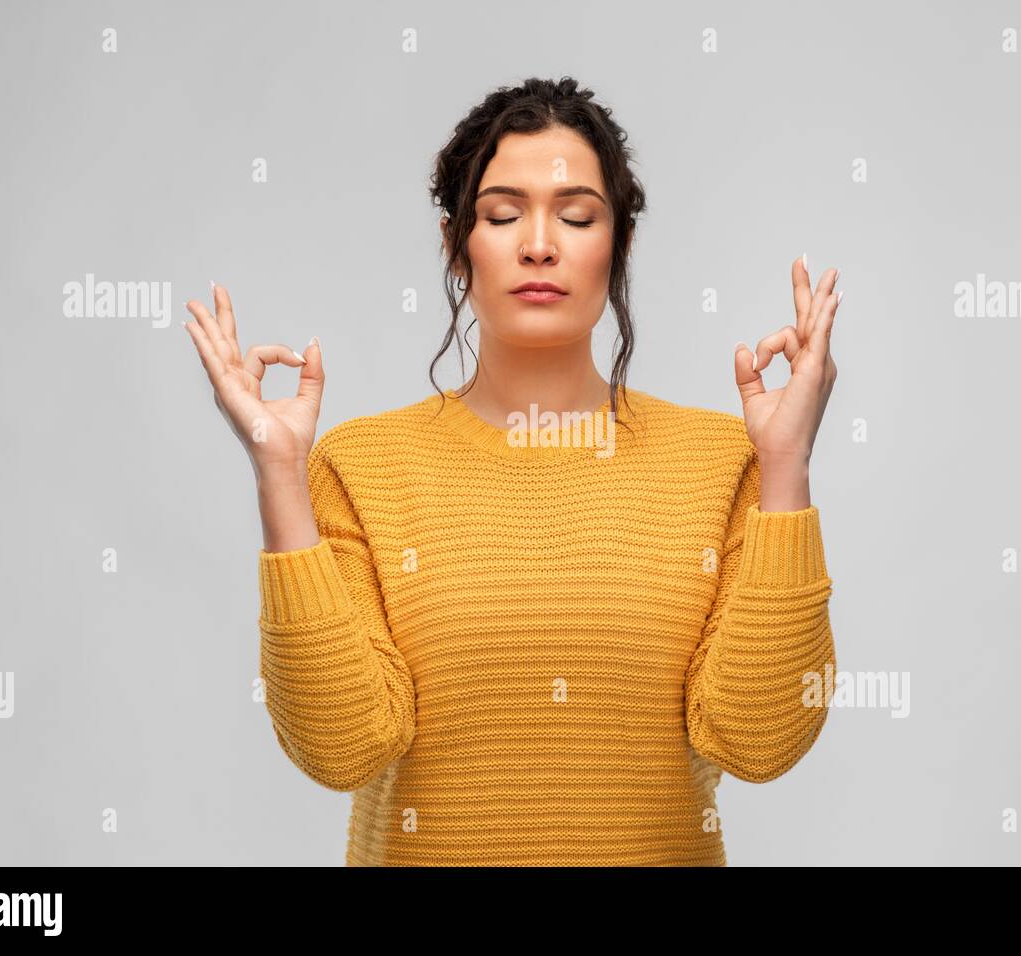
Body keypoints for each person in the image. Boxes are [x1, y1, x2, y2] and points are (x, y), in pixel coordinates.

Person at [183, 76, 841, 866]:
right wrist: (279, 474)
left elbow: (759, 740)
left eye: (576, 216)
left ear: (618, 245)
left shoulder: (720, 461)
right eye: (502, 214)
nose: (539, 243)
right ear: (456, 246)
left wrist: (785, 466)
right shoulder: (361, 465)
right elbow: (342, 749)